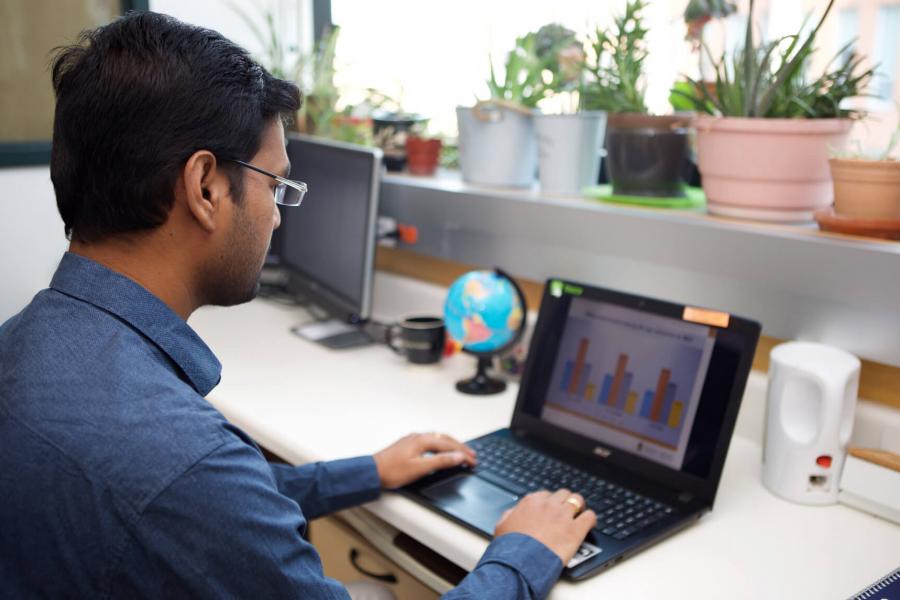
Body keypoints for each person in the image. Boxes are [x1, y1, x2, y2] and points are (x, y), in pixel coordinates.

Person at [0, 12, 596, 599]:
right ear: (205, 188)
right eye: (273, 184)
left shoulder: (20, 344)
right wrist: (523, 555)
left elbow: (208, 507)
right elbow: (197, 491)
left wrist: (366, 472)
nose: (278, 214)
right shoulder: (185, 461)